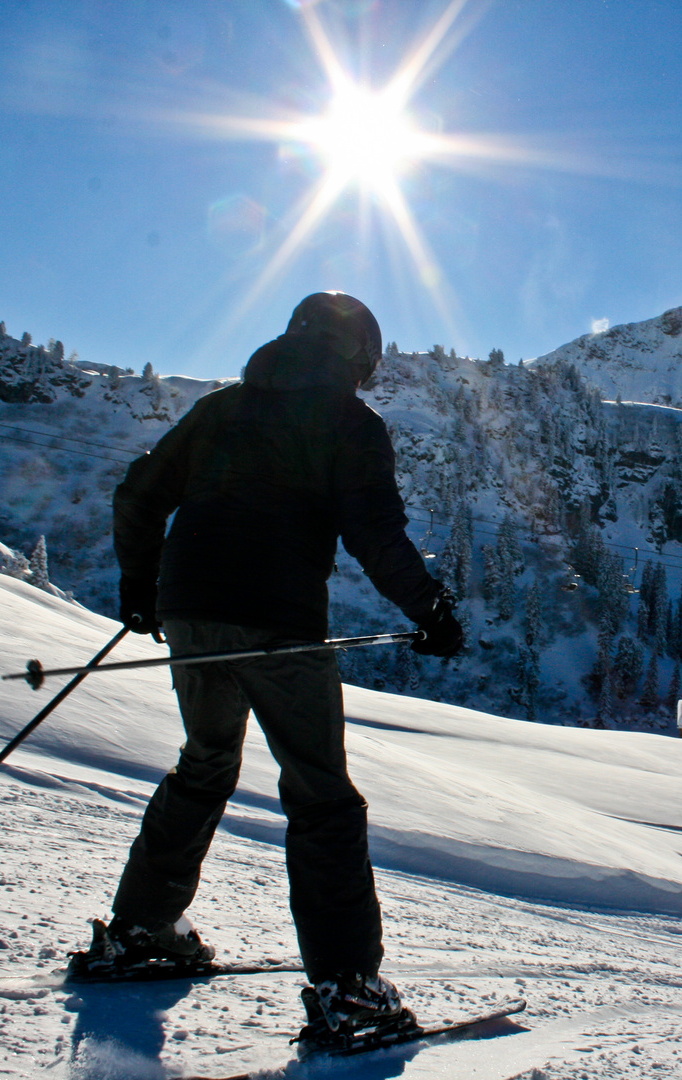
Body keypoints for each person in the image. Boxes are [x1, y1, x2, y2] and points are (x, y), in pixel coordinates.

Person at [87, 291, 464, 1041]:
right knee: (321, 795)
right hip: (279, 625)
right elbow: (374, 533)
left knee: (204, 764)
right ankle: (348, 991)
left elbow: (139, 494)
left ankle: (137, 933)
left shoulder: (222, 409)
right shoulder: (351, 424)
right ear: (357, 356)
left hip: (191, 616)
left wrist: (141, 591)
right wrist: (430, 609)